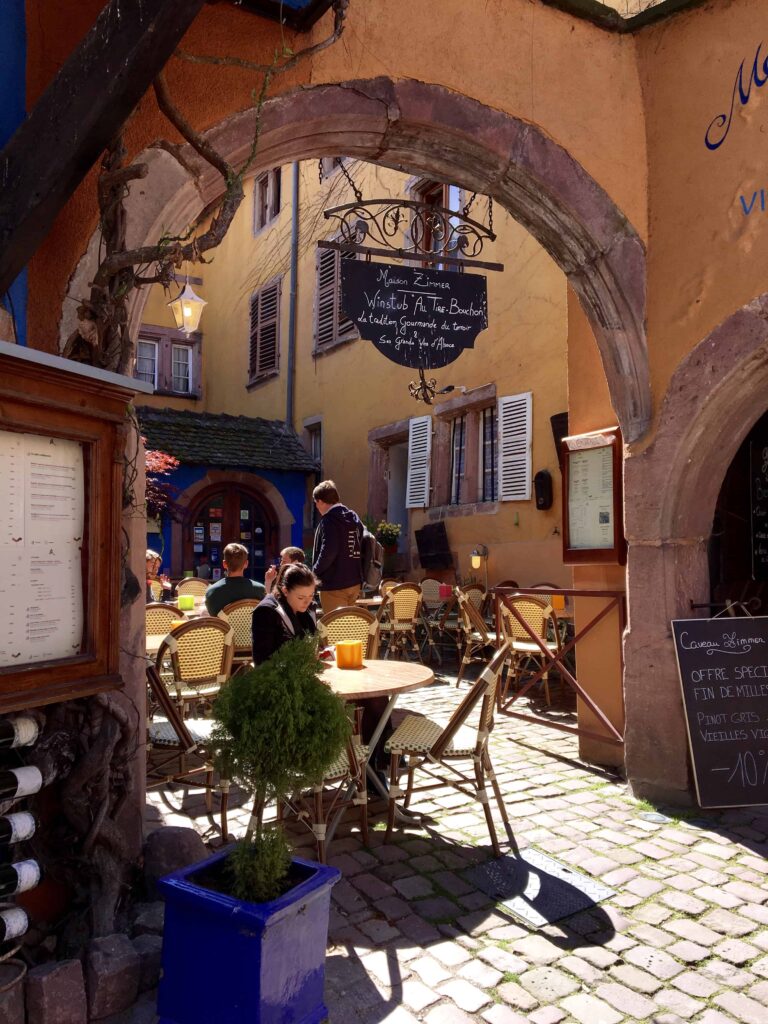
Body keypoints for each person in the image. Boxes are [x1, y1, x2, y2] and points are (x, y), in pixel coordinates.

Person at [311, 480, 364, 614]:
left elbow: (328, 552)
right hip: (354, 582)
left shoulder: (329, 520)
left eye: (316, 503)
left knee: (335, 629)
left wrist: (313, 573)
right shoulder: (353, 518)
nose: (316, 507)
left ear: (321, 501)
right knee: (348, 627)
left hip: (334, 583)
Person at [251, 563, 318, 665]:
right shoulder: (266, 612)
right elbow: (262, 661)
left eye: (311, 595)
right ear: (285, 591)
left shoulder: (309, 607)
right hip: (277, 675)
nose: (307, 602)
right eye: (301, 597)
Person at [204, 542, 266, 615]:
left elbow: (213, 619)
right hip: (251, 626)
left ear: (224, 564)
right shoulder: (260, 590)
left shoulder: (212, 592)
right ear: (246, 564)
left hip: (225, 626)